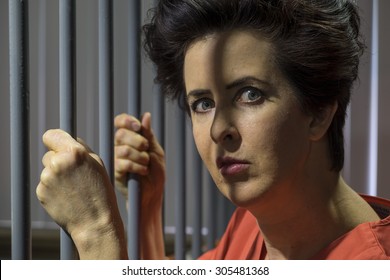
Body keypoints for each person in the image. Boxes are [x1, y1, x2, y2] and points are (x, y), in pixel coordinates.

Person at [37, 0, 390, 260]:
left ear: (319, 110)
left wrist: (96, 231)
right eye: (203, 103)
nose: (220, 129)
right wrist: (147, 208)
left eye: (250, 94)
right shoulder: (253, 225)